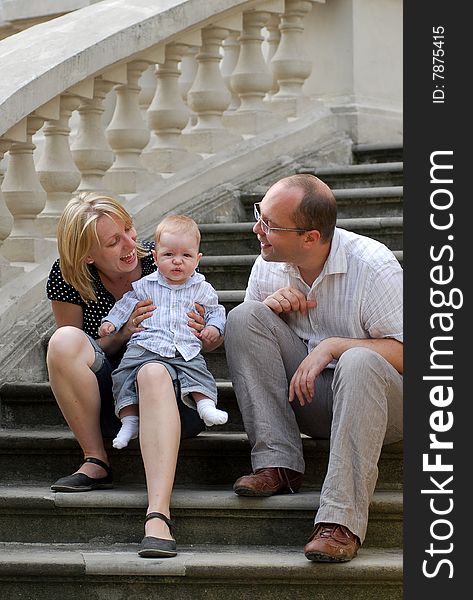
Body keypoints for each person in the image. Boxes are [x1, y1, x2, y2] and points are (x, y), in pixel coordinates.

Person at [224, 173, 403, 563]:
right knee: (244, 316)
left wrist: (334, 347)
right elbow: (253, 339)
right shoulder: (268, 264)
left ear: (311, 237)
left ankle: (341, 522)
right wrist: (271, 311)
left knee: (357, 359)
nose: (257, 230)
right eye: (260, 215)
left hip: (385, 408)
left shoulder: (373, 267)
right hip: (314, 401)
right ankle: (279, 462)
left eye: (270, 225)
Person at [46, 192, 223, 558]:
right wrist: (125, 331)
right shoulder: (68, 277)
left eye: (128, 229)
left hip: (175, 397)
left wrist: (206, 332)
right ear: (87, 255)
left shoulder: (163, 258)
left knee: (154, 371)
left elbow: (207, 336)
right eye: (114, 241)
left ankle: (158, 514)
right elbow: (82, 349)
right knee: (63, 341)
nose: (131, 245)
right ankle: (96, 457)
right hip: (115, 394)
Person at [98, 214, 228, 450]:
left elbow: (216, 312)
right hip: (145, 346)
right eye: (169, 255)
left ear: (197, 260)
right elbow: (125, 305)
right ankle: (129, 420)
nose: (177, 261)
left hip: (183, 348)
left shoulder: (203, 289)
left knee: (198, 373)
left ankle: (205, 406)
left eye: (186, 255)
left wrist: (213, 328)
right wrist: (111, 323)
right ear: (156, 257)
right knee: (122, 376)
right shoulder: (144, 285)